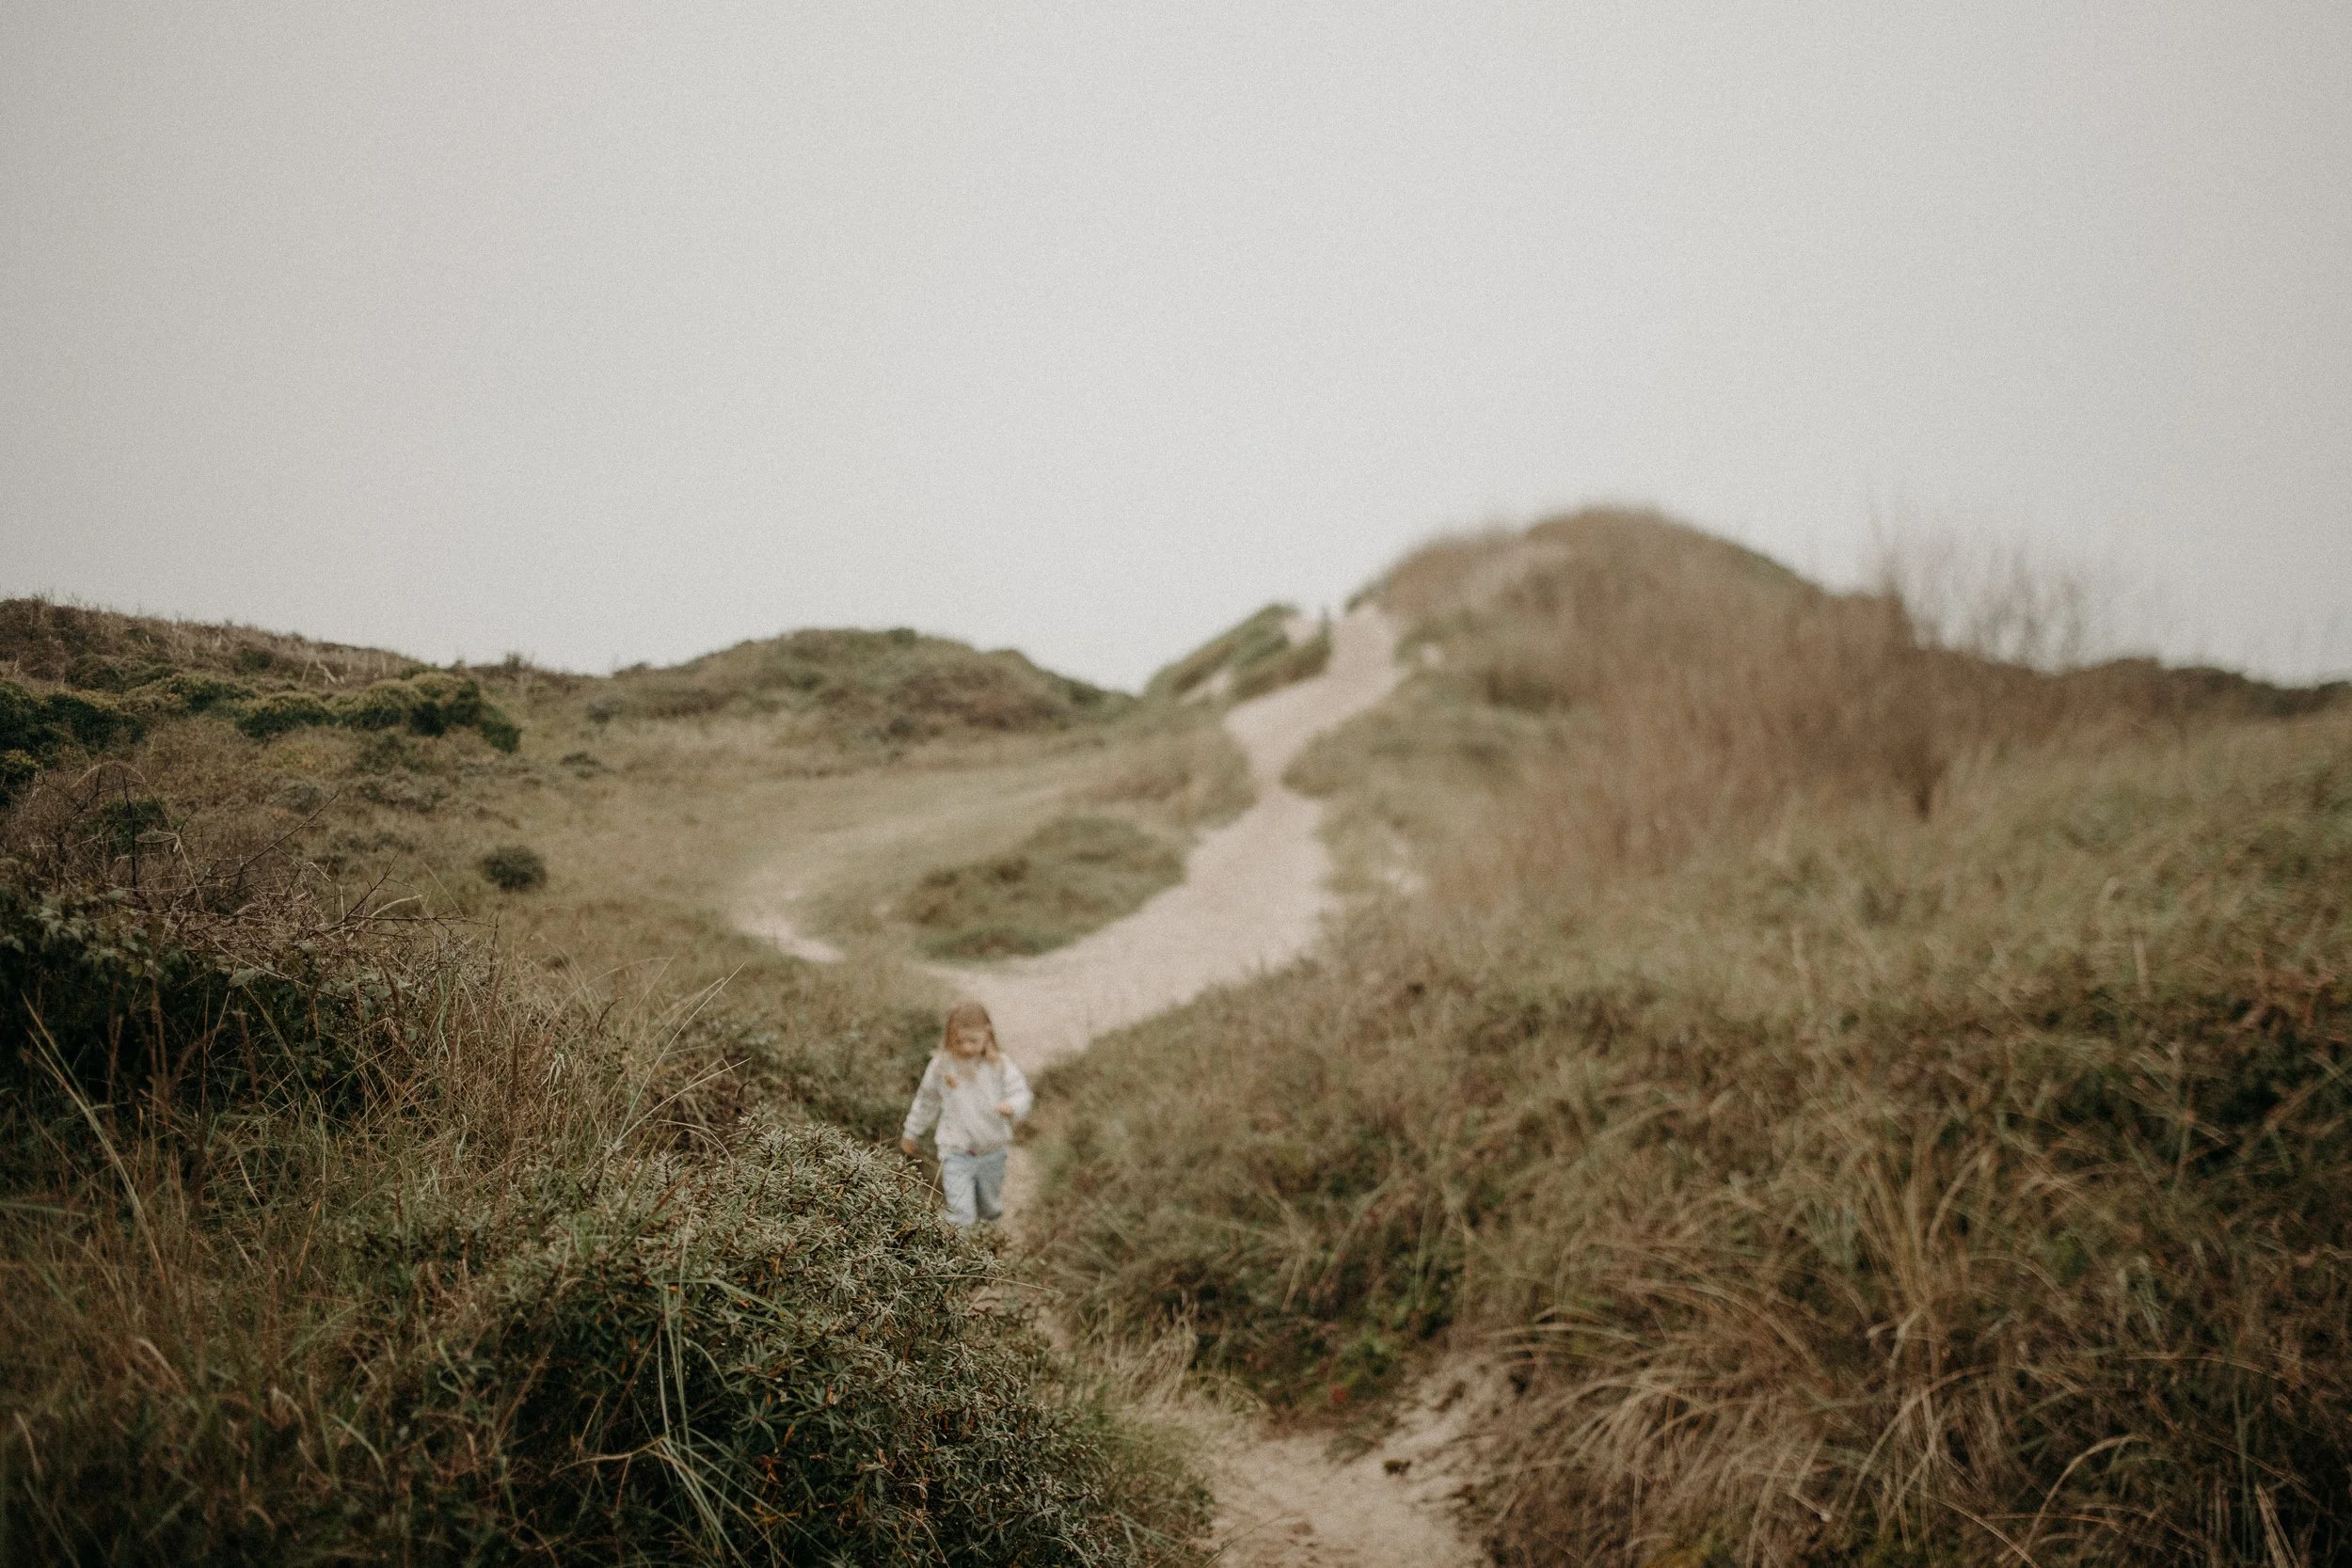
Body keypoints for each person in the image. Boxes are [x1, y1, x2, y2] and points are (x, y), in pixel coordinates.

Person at [899, 1000, 1032, 1227]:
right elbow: (926, 1099)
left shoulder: (1000, 1064)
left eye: (974, 1041)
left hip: (992, 1150)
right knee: (961, 1214)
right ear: (950, 1037)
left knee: (989, 1210)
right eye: (959, 1041)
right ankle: (956, 1256)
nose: (967, 1048)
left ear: (987, 1035)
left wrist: (1012, 1106)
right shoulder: (942, 1065)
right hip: (956, 1151)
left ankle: (987, 1251)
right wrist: (911, 1131)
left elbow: (1022, 1094)